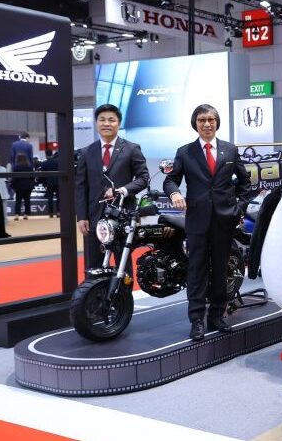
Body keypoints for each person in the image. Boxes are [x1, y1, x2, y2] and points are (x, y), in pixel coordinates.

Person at [164, 104, 250, 341]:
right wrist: (175, 193)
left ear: (217, 122)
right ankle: (196, 321)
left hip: (224, 220)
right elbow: (170, 180)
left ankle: (217, 316)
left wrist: (238, 209)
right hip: (196, 220)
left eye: (211, 119)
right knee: (197, 270)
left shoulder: (230, 150)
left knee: (221, 269)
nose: (207, 124)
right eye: (202, 120)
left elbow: (245, 183)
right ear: (195, 124)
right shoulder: (185, 152)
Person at [75, 104, 149, 270]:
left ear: (119, 123)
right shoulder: (86, 152)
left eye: (111, 120)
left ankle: (123, 288)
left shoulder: (131, 149)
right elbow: (80, 186)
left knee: (123, 265)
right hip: (94, 217)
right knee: (93, 265)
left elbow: (144, 178)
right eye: (102, 120)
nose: (106, 123)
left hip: (122, 215)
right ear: (96, 123)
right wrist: (81, 216)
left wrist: (122, 190)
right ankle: (94, 288)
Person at [11, 154, 35, 220]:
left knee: (18, 200)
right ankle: (26, 214)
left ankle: (17, 215)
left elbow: (14, 178)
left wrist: (12, 186)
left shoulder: (16, 167)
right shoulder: (29, 167)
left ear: (17, 159)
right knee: (27, 200)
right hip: (28, 186)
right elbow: (32, 177)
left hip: (19, 186)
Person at [39, 151, 60, 217]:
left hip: (49, 183)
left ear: (46, 155)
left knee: (50, 198)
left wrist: (44, 184)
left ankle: (51, 213)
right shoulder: (57, 162)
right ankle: (59, 212)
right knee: (59, 198)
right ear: (52, 154)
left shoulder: (44, 163)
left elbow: (42, 175)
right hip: (57, 182)